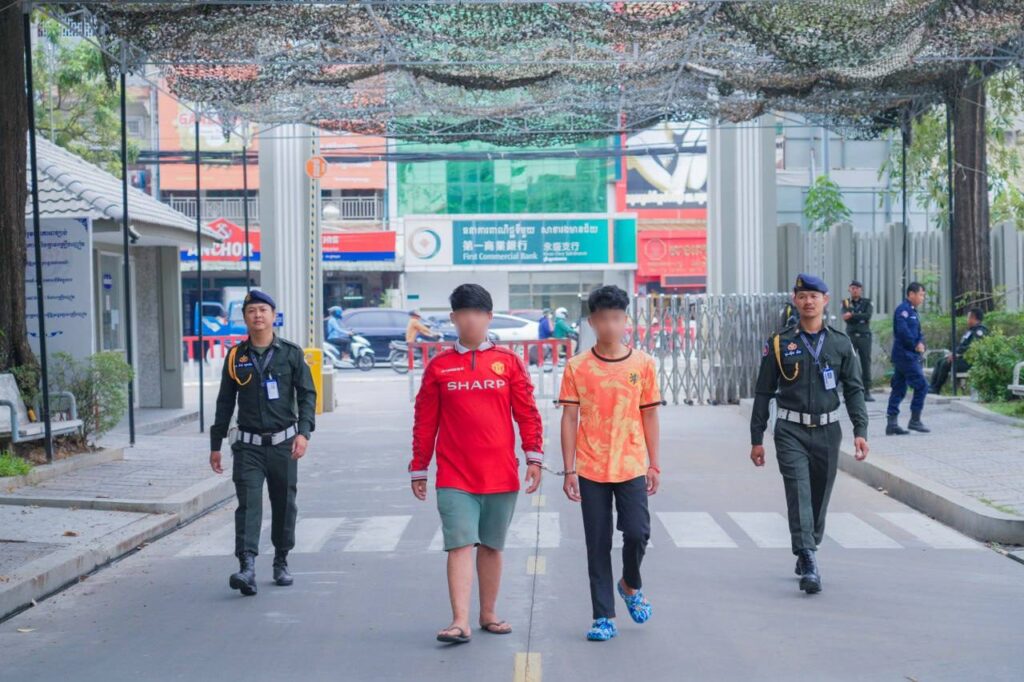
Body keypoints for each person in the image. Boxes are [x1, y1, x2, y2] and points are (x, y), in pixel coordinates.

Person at [409, 283, 544, 645]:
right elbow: (425, 421)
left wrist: (533, 455)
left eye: (478, 313)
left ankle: (488, 613)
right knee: (458, 544)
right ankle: (459, 621)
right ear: (453, 318)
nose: (471, 320)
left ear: (489, 317)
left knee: (491, 545)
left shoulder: (508, 362)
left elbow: (527, 412)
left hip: (500, 473)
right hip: (454, 475)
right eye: (464, 314)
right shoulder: (439, 366)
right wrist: (419, 467)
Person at [750, 274, 869, 595]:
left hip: (829, 431)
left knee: (819, 496)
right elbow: (763, 391)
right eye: (802, 296)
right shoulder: (780, 342)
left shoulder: (840, 343)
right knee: (799, 491)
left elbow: (854, 389)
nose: (808, 301)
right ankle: (808, 556)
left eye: (814, 296)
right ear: (795, 300)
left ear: (825, 300)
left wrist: (860, 430)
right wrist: (757, 437)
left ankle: (809, 543)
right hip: (790, 430)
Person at [559, 285, 662, 642]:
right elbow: (569, 417)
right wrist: (569, 469)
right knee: (598, 543)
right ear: (592, 321)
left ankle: (630, 584)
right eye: (603, 319)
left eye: (617, 318)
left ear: (626, 320)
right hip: (590, 467)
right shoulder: (577, 367)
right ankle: (603, 616)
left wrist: (654, 463)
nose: (610, 326)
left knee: (637, 533)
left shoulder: (643, 364)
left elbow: (649, 415)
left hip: (631, 464)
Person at [209, 290, 317, 596]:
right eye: (251, 311)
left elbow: (307, 395)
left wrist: (303, 433)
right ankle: (247, 567)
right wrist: (216, 444)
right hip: (248, 446)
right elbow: (225, 401)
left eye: (263, 310)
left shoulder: (290, 353)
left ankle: (281, 559)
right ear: (245, 317)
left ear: (273, 315)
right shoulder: (236, 356)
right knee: (248, 505)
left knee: (285, 504)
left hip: (284, 444)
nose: (257, 315)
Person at [887, 282, 929, 435]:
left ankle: (891, 424)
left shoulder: (913, 311)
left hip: (908, 355)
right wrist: (915, 345)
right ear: (911, 294)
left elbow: (919, 333)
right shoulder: (903, 310)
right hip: (905, 355)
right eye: (921, 294)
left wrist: (921, 343)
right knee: (922, 385)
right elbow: (903, 332)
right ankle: (915, 420)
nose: (922, 298)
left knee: (899, 388)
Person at [930, 306, 988, 394]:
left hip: (970, 362)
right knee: (940, 361)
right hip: (962, 359)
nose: (967, 320)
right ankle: (931, 387)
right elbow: (962, 346)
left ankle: (936, 388)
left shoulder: (979, 331)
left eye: (968, 317)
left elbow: (972, 347)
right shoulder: (970, 331)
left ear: (973, 318)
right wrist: (953, 353)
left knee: (946, 363)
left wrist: (956, 354)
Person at [841, 280, 875, 401]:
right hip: (851, 336)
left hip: (864, 336)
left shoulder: (867, 302)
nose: (855, 290)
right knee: (849, 364)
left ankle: (867, 392)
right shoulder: (845, 302)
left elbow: (867, 316)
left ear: (861, 290)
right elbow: (846, 318)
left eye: (857, 288)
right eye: (853, 288)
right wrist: (858, 316)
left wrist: (853, 315)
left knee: (866, 363)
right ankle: (849, 393)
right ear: (849, 289)